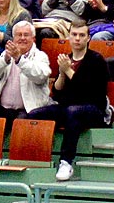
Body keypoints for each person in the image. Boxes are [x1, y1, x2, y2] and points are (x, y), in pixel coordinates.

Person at [26, 20, 107, 181]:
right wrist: (62, 73)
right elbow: (56, 91)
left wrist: (68, 70)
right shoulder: (66, 59)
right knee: (34, 114)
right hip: (68, 107)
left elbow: (88, 91)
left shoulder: (96, 60)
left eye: (81, 35)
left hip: (93, 109)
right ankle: (37, 160)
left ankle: (66, 162)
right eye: (74, 35)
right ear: (69, 37)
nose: (77, 38)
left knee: (73, 112)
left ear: (88, 38)